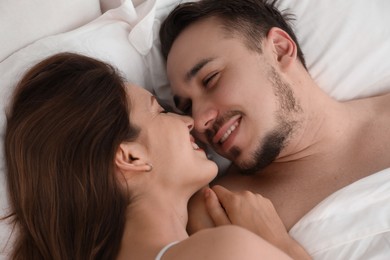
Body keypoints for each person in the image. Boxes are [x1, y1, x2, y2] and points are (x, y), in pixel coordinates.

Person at [3, 52, 311, 259]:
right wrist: (278, 243)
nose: (190, 121)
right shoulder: (226, 249)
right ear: (130, 157)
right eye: (160, 110)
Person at [159, 0, 390, 232]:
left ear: (279, 49)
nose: (198, 121)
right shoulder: (219, 210)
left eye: (211, 79)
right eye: (187, 107)